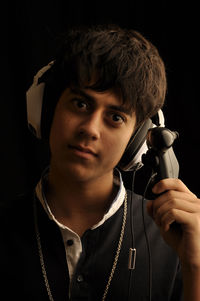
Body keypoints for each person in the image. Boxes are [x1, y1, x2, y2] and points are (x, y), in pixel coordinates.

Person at [1, 23, 200, 301]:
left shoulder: (173, 236)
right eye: (80, 104)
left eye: (115, 117)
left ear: (137, 141)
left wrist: (195, 266)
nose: (90, 129)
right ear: (46, 110)